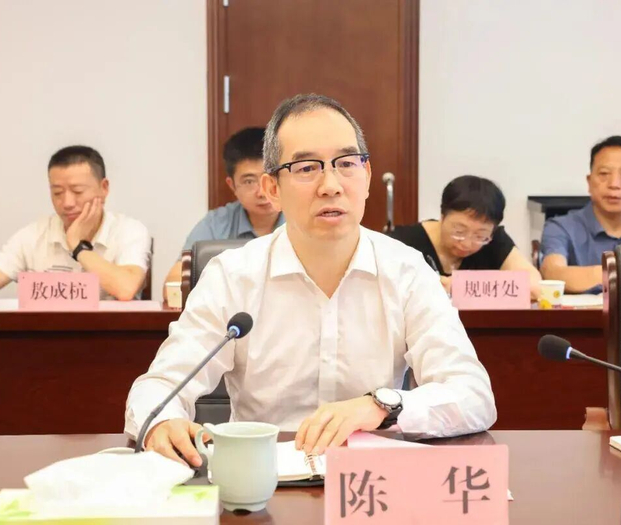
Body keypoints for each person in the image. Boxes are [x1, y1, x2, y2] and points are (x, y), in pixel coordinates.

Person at [125, 93, 496, 468]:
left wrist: (381, 405)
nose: (331, 185)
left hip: (369, 482)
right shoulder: (233, 276)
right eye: (306, 168)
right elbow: (159, 387)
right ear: (273, 189)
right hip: (260, 480)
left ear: (367, 176)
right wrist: (162, 424)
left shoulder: (407, 271)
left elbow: (474, 395)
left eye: (346, 163)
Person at [0, 145, 151, 306]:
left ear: (104, 188)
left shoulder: (129, 231)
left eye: (77, 191)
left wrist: (78, 247)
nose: (67, 203)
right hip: (44, 336)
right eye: (58, 193)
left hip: (111, 336)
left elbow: (125, 288)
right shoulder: (33, 235)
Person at [162, 128, 285, 293]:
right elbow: (173, 286)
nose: (262, 192)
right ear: (232, 185)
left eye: (268, 178)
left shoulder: (303, 218)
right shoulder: (215, 224)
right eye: (249, 181)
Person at [541, 136, 621, 293]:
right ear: (589, 182)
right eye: (604, 173)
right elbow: (553, 273)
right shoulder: (561, 227)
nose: (614, 184)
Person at [390, 175, 541, 298]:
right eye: (459, 232)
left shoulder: (495, 241)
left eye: (480, 236)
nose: (467, 244)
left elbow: (534, 285)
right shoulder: (403, 241)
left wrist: (462, 285)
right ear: (442, 216)